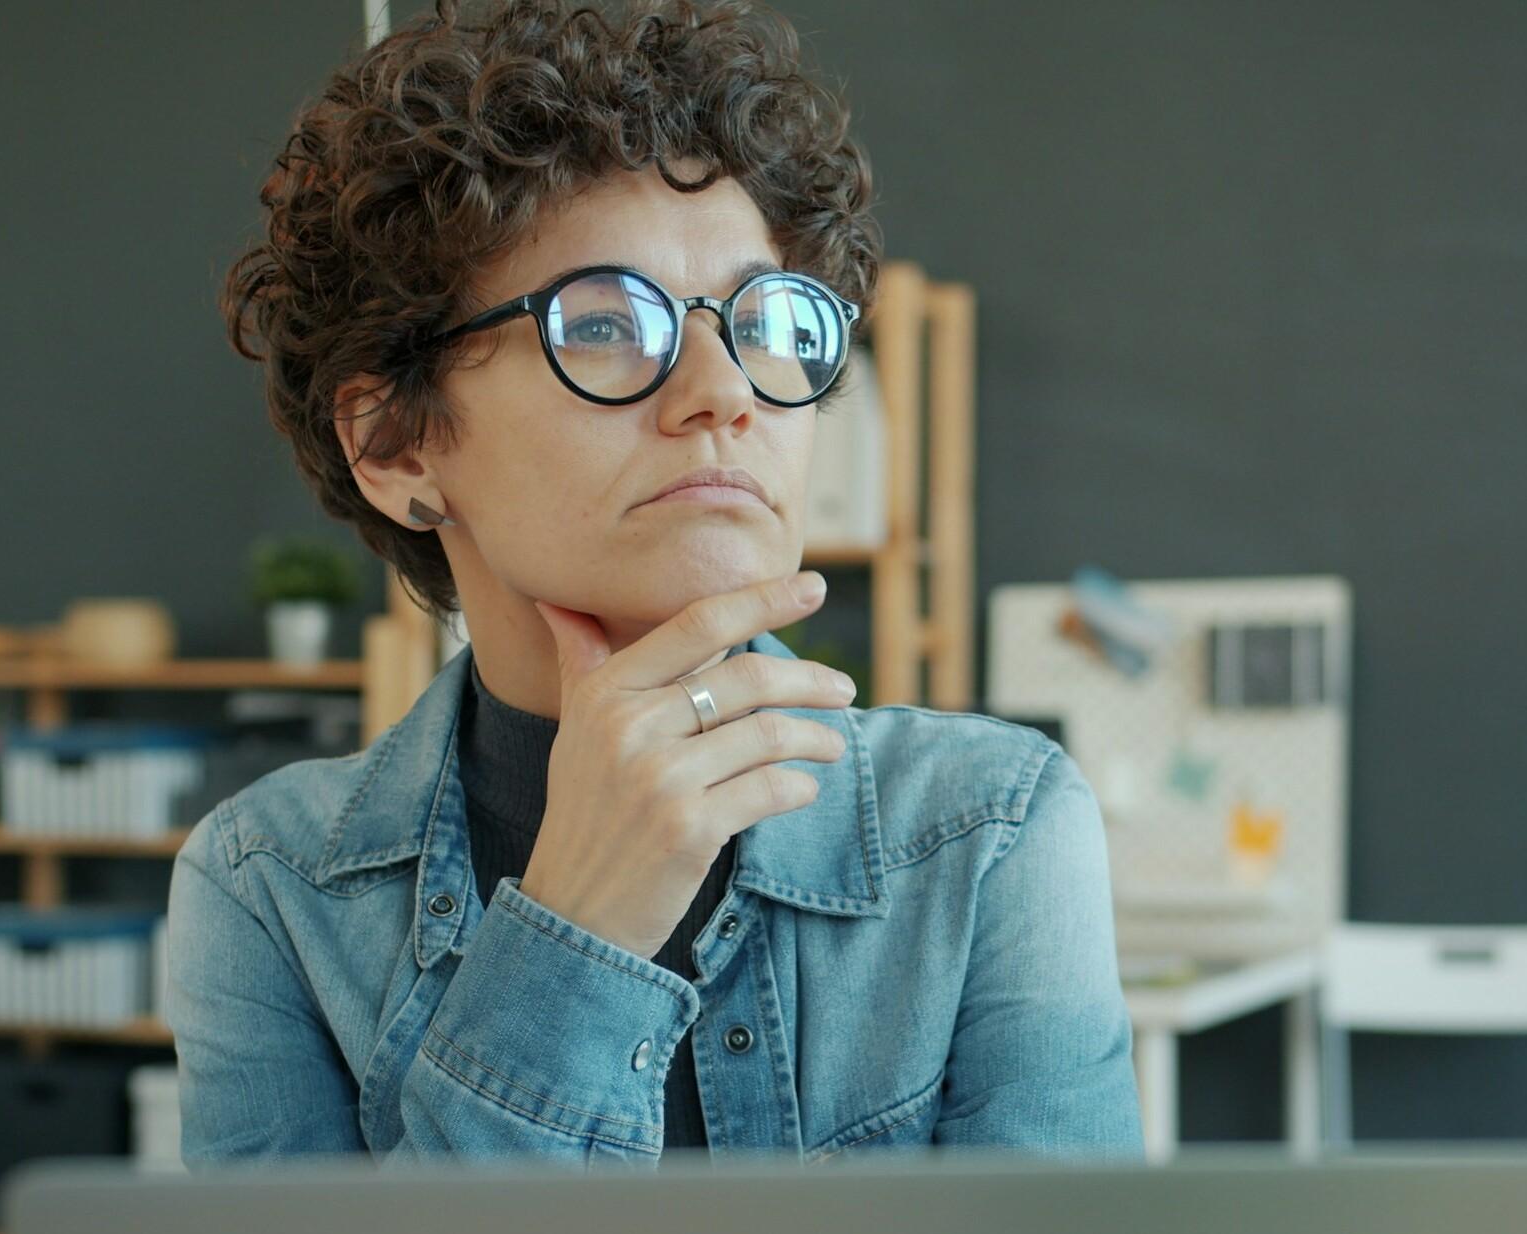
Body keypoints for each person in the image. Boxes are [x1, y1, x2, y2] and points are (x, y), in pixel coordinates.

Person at [169, 0, 1143, 1168]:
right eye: (604, 323)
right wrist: (576, 929)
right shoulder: (266, 891)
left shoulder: (987, 833)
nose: (725, 389)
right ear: (396, 447)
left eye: (767, 318)